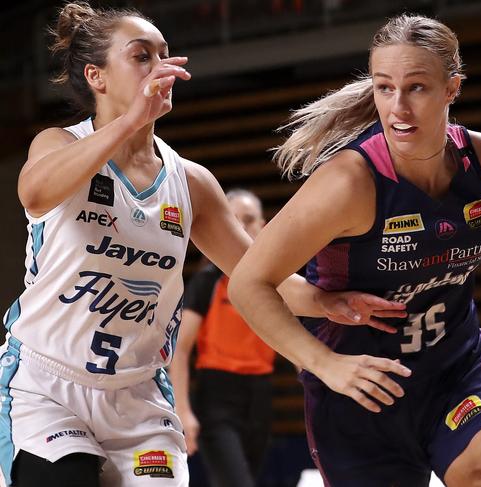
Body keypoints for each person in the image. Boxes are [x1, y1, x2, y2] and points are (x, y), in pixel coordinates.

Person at [0, 3, 407, 486]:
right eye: (142, 56)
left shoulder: (190, 182)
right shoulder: (59, 144)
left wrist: (326, 301)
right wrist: (129, 121)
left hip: (138, 397)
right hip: (49, 387)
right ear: (97, 77)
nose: (162, 68)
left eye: (165, 54)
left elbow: (254, 273)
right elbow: (34, 193)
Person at [228, 13, 481, 487]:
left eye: (416, 87)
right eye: (384, 87)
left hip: (457, 376)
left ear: (452, 89)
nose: (397, 106)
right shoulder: (348, 182)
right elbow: (249, 283)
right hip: (362, 393)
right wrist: (326, 365)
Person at [169, 189, 275, 487]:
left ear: (263, 226)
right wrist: (183, 409)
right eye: (234, 220)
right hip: (217, 396)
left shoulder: (276, 281)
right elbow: (180, 348)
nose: (241, 228)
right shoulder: (208, 281)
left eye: (249, 220)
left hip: (261, 395)